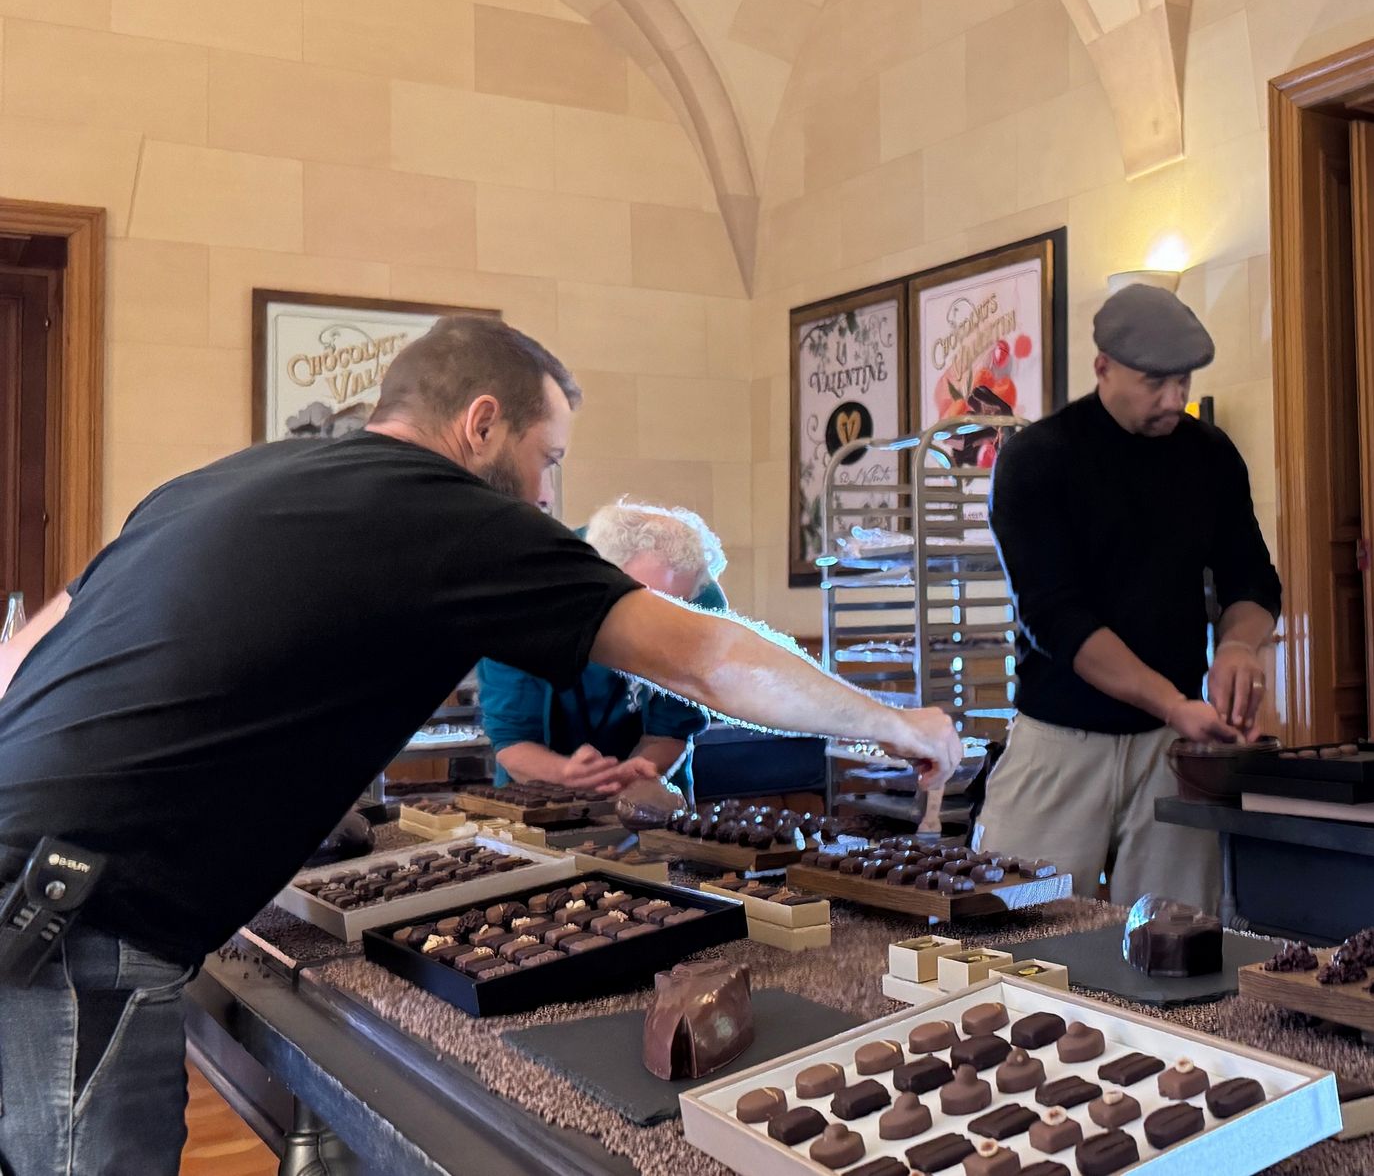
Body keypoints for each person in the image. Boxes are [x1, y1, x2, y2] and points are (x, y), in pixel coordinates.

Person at [0, 317, 959, 1175]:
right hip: (73, 921)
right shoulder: (448, 514)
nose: (549, 493)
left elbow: (23, 655)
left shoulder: (219, 480)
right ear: (482, 424)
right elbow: (704, 659)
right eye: (549, 458)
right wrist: (892, 721)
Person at [980, 285, 1281, 913]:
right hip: (1059, 739)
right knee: (1013, 928)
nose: (1174, 399)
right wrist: (1173, 702)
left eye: (1184, 381)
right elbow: (1055, 617)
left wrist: (1237, 647)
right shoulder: (1038, 459)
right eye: (1155, 383)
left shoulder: (1211, 457)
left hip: (1171, 747)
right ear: (1103, 368)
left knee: (1176, 934)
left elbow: (1252, 579)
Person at [479, 501, 732, 792]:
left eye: (672, 613)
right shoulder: (520, 598)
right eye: (642, 609)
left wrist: (633, 773)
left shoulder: (701, 606)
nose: (655, 630)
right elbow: (513, 739)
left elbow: (671, 730)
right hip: (537, 787)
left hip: (649, 787)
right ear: (595, 582)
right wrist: (568, 775)